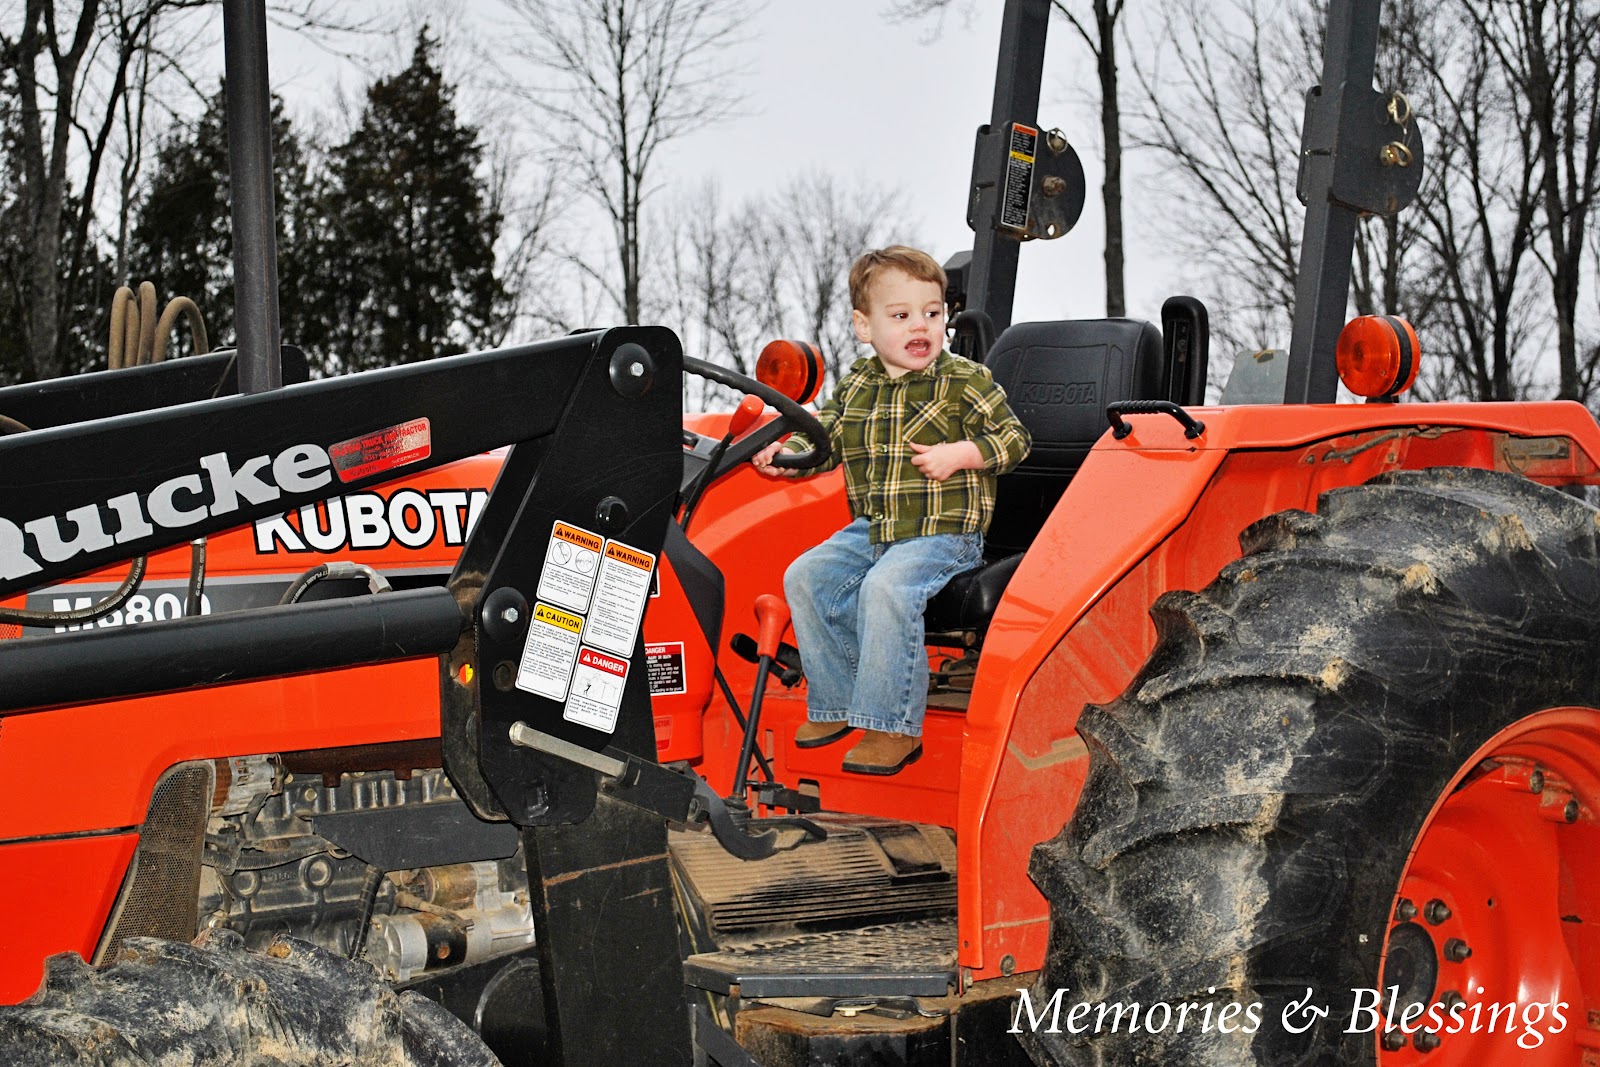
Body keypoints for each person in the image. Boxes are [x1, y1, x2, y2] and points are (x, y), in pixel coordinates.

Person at [752, 246, 1031, 775]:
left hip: (944, 533)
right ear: (864, 326)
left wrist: (963, 454)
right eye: (901, 316)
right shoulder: (857, 384)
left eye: (932, 312)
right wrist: (785, 461)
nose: (921, 326)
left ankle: (893, 727)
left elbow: (1014, 440)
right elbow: (825, 443)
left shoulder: (964, 380)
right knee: (806, 575)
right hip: (874, 527)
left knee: (886, 589)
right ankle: (838, 704)